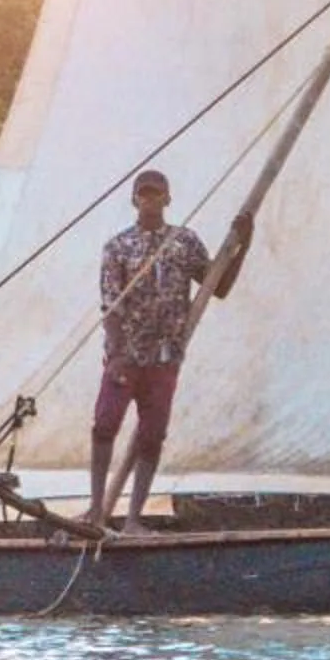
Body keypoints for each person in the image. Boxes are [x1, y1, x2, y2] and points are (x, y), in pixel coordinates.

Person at [85, 169, 252, 536]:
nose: (149, 199)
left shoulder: (184, 242)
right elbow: (111, 305)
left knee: (152, 436)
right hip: (127, 355)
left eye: (156, 193)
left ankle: (132, 520)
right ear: (134, 200)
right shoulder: (118, 246)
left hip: (165, 357)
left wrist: (243, 245)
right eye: (143, 194)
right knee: (104, 425)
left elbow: (217, 285)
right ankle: (96, 510)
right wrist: (116, 353)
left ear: (167, 198)